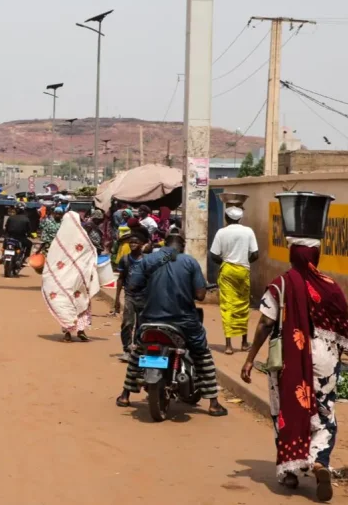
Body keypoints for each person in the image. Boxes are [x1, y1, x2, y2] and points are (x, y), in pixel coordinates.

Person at [242, 239, 348, 500]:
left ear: (292, 257)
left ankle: (290, 472)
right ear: (316, 257)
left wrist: (250, 358)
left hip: (291, 356)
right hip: (326, 359)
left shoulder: (281, 284)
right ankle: (319, 460)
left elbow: (266, 323)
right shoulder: (330, 286)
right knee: (324, 411)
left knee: (286, 410)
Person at [117, 232, 227, 416]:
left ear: (164, 245)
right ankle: (213, 403)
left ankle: (125, 395)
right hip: (183, 320)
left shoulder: (148, 260)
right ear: (182, 246)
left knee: (138, 350)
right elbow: (200, 295)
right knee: (202, 353)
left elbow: (133, 286)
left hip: (150, 319)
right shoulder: (190, 262)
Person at [40, 211, 99, 342]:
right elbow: (90, 252)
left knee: (65, 301)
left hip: (65, 278)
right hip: (78, 277)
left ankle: (71, 331)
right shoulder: (82, 238)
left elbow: (52, 260)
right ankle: (78, 331)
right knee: (79, 300)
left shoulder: (59, 240)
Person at [210, 206, 259, 355]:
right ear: (240, 218)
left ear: (226, 218)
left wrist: (226, 262)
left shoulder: (221, 232)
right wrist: (244, 260)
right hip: (243, 270)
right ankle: (244, 343)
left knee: (227, 305)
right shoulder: (248, 231)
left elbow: (214, 255)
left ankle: (228, 345)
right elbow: (255, 254)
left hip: (227, 271)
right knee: (243, 304)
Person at [112, 228, 152, 358]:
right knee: (127, 323)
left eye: (135, 242)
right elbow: (120, 279)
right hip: (129, 295)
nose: (133, 245)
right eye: (131, 242)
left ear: (141, 244)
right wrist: (117, 299)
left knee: (141, 324)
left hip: (144, 297)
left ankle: (137, 348)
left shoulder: (147, 260)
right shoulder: (125, 260)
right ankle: (127, 348)